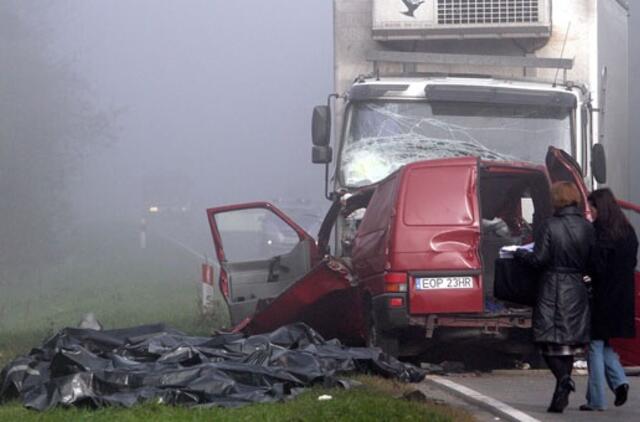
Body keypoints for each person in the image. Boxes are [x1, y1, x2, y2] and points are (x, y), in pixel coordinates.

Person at [514, 181, 594, 413]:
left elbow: (539, 259)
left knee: (546, 340)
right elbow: (592, 259)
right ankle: (563, 383)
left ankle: (562, 379)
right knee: (567, 343)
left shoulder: (549, 225)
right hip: (576, 286)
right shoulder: (587, 227)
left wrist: (520, 254)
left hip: (552, 286)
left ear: (556, 200)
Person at [580, 188, 638, 411]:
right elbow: (631, 263)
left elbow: (595, 267)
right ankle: (619, 381)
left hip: (602, 295)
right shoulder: (628, 231)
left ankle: (597, 399)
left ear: (600, 207)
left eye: (592, 207)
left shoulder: (599, 233)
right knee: (604, 343)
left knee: (594, 345)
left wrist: (585, 278)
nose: (590, 212)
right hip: (623, 295)